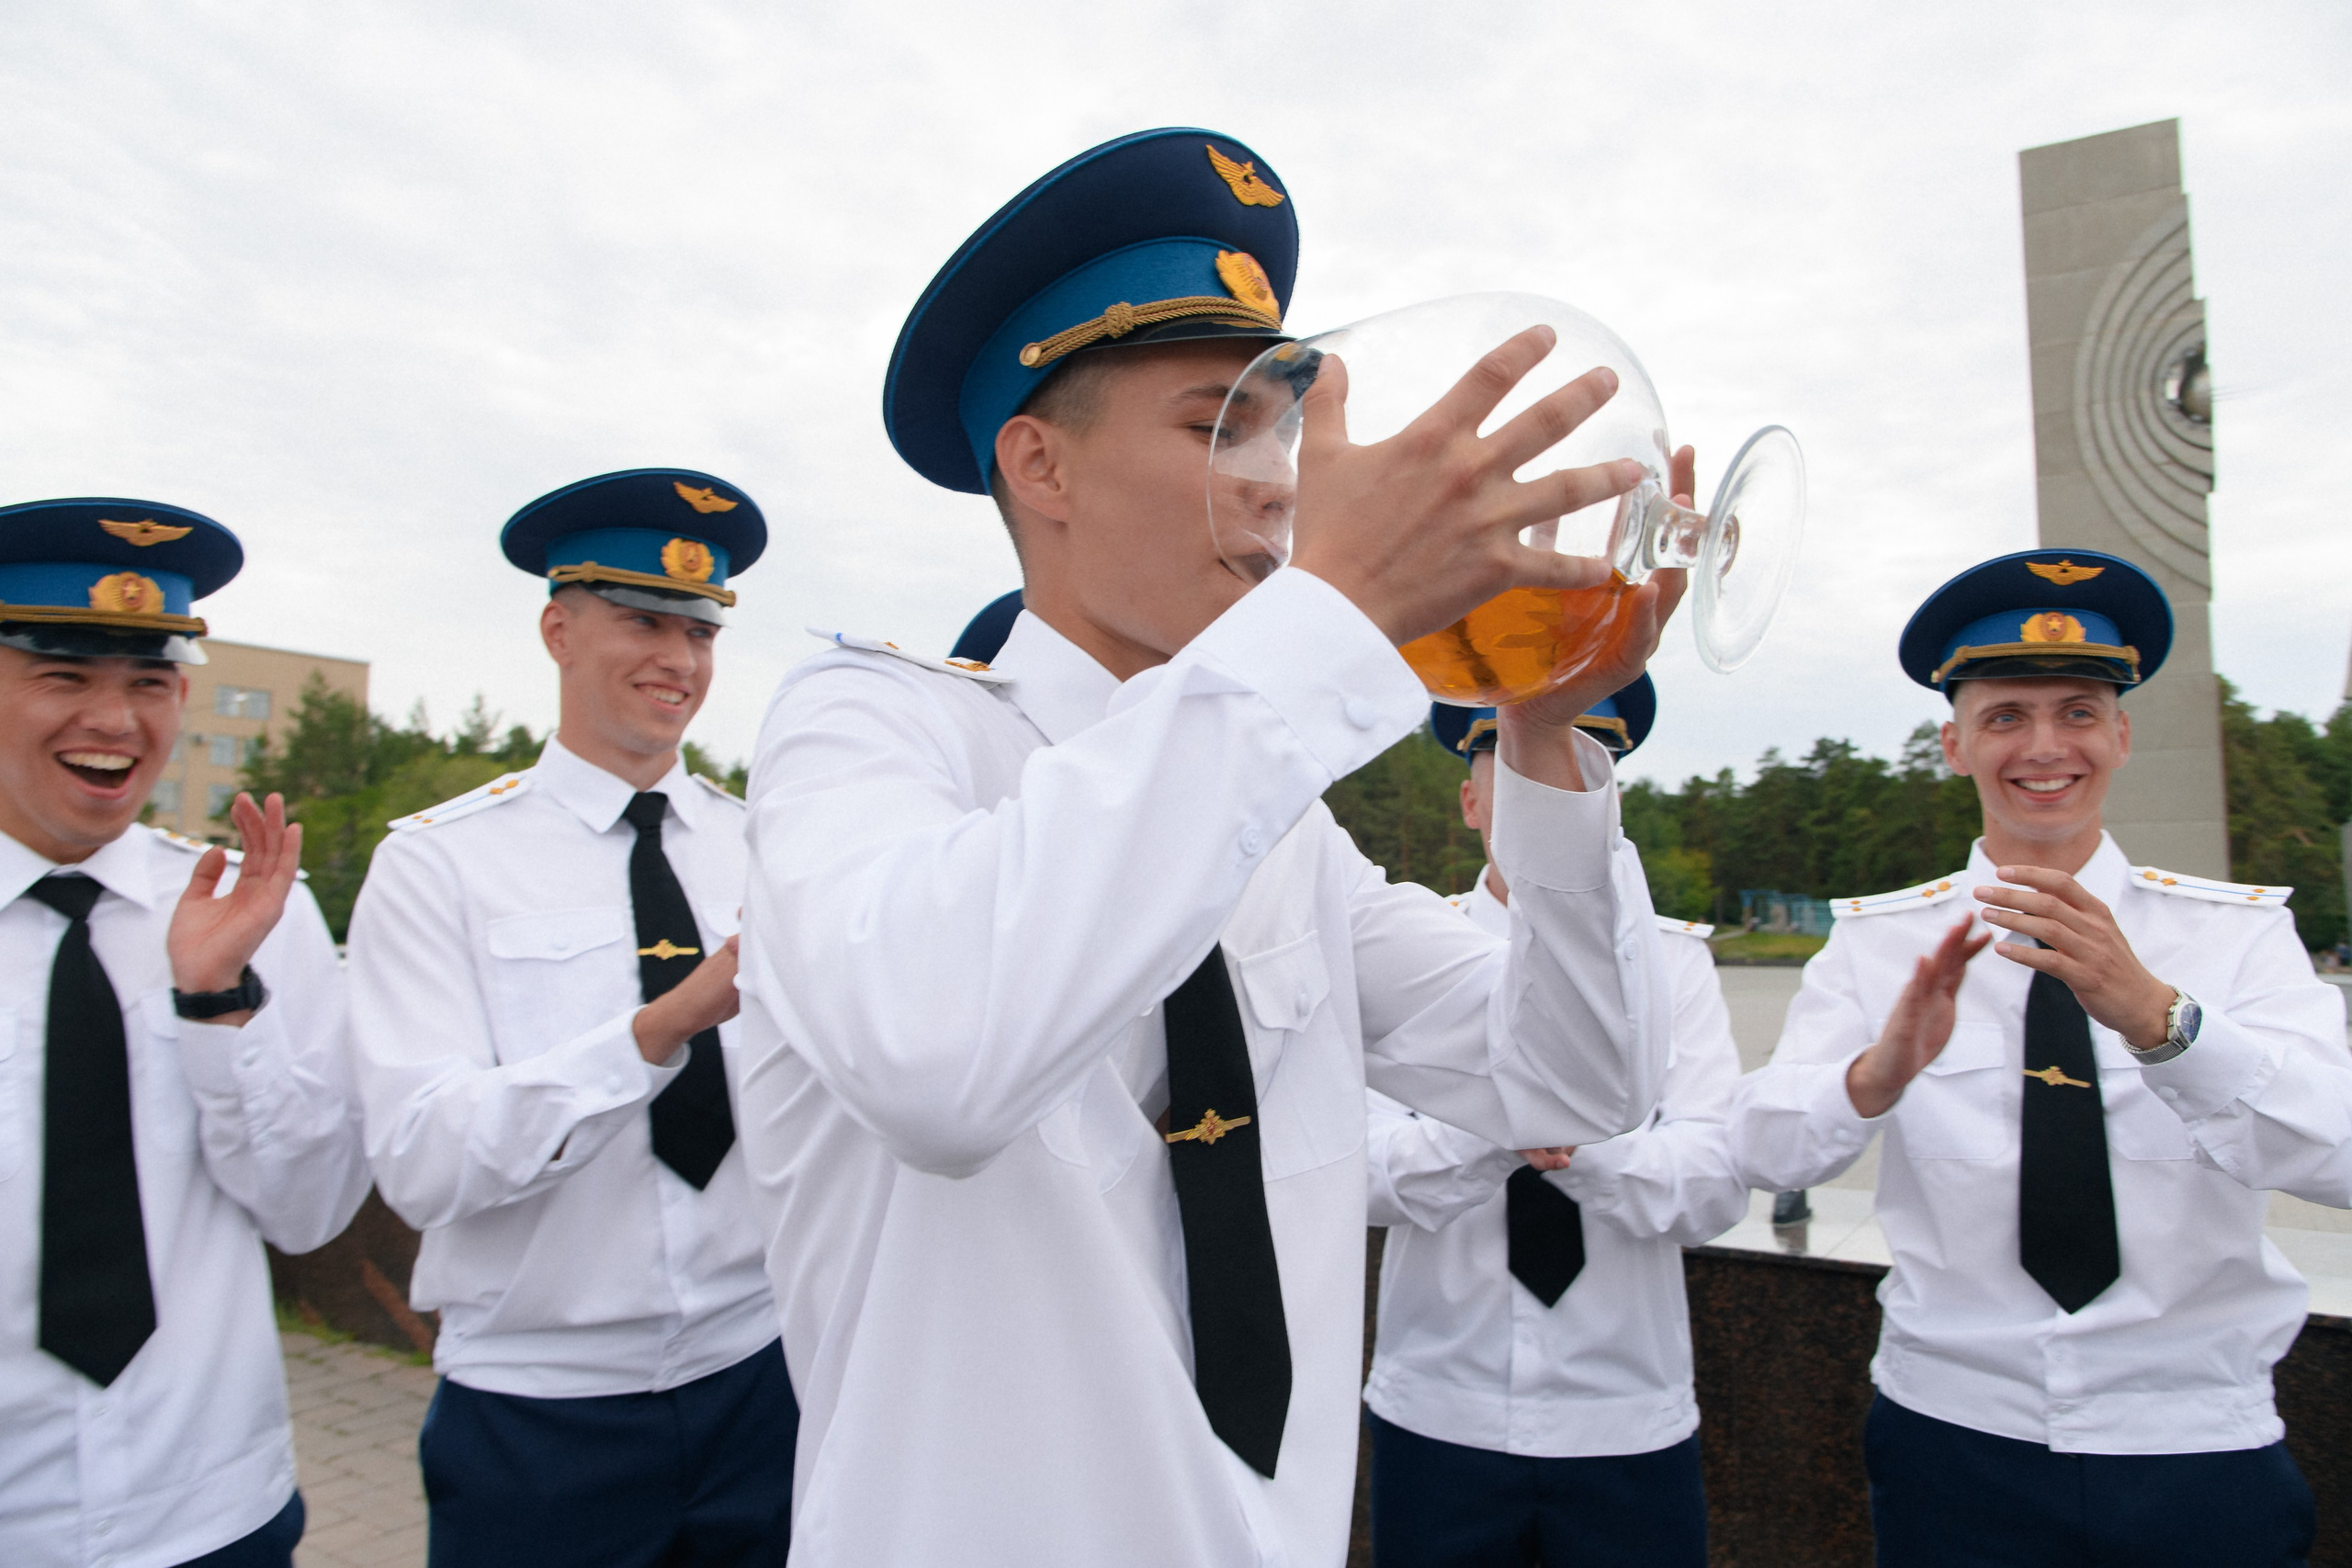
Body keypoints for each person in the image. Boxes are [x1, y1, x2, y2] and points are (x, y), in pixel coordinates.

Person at [729, 128, 1688, 1567]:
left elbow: (1577, 1077)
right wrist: (1336, 620)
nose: (1277, 486)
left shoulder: (1274, 824)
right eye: (1212, 427)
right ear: (1038, 463)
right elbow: (939, 1061)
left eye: (1281, 435)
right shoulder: (870, 729)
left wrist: (1545, 738)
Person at [1730, 548, 2351, 1567]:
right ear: (1953, 745)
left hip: (2193, 1438)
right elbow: (1762, 1151)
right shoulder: (1878, 943)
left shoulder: (2233, 937)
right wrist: (1873, 1078)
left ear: (2120, 733)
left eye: (2074, 711)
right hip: (1953, 1435)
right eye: (2004, 716)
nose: (2043, 747)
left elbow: (2334, 1154)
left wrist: (2158, 1017)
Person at [345, 470, 794, 1568]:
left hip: (762, 1379)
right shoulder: (440, 864)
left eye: (699, 630)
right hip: (542, 1414)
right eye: (643, 621)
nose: (678, 661)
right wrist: (657, 1030)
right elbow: (420, 1161)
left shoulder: (765, 843)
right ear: (558, 629)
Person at [0, 498, 368, 1567]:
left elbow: (307, 1214)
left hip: (212, 1512)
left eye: (148, 681)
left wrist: (218, 1006)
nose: (115, 721)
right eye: (64, 676)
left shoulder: (254, 911)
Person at [1362, 688, 1745, 1568]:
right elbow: (1361, 1170)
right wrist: (1499, 1122)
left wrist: (1578, 1145)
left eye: (1567, 760)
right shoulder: (1401, 948)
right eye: (1514, 762)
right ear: (1469, 800)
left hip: (1626, 1419)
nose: (1540, 788)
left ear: (1601, 795)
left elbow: (1717, 1179)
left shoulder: (1672, 962)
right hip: (1438, 1411)